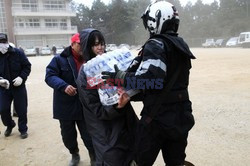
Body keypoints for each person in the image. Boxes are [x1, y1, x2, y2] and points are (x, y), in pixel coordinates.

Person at [101, 1, 195, 166]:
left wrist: (120, 77)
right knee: (176, 162)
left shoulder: (156, 44)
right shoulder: (181, 46)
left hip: (158, 118)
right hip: (181, 115)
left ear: (155, 21)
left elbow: (152, 81)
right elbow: (165, 84)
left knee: (140, 160)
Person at [76, 28, 138, 166]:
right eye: (95, 44)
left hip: (126, 122)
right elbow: (95, 108)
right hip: (106, 131)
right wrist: (117, 107)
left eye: (102, 43)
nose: (100, 47)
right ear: (87, 47)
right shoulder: (86, 73)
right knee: (113, 160)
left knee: (133, 155)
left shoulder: (111, 61)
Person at [45, 33, 95, 166]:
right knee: (68, 135)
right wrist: (64, 86)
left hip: (84, 104)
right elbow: (50, 76)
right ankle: (74, 153)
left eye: (84, 44)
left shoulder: (90, 59)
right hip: (65, 105)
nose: (82, 47)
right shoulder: (59, 59)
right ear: (72, 44)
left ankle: (93, 155)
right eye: (79, 44)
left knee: (89, 134)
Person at [0, 33, 31, 139]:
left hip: (18, 87)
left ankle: (23, 129)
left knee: (21, 110)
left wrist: (21, 77)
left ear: (7, 42)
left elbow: (27, 66)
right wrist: (0, 80)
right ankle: (9, 125)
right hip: (4, 88)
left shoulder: (17, 53)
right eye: (0, 42)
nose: (2, 45)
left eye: (3, 42)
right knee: (3, 109)